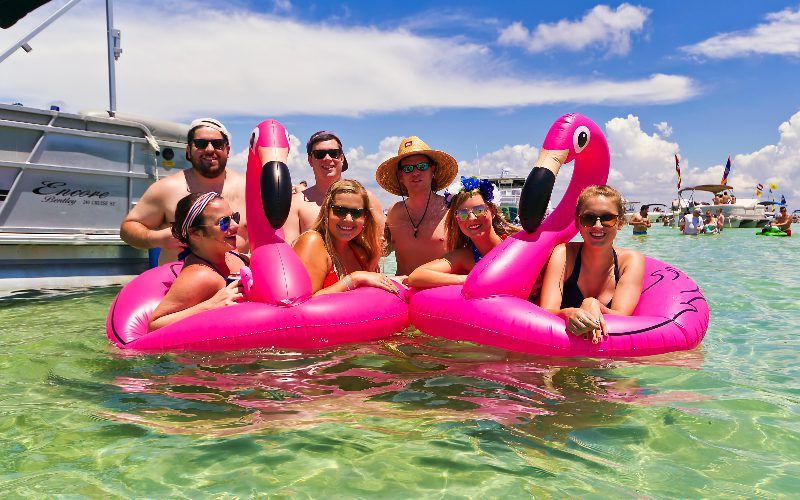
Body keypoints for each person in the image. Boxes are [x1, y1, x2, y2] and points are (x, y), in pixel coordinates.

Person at [121, 118, 247, 264]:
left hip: (236, 283)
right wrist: (157, 238)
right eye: (201, 144)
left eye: (218, 144)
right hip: (179, 282)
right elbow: (127, 229)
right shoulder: (166, 189)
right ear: (188, 150)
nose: (210, 149)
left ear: (228, 150)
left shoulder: (250, 188)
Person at [539, 185, 645, 344]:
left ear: (621, 222)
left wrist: (594, 304)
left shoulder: (630, 261)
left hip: (608, 354)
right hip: (560, 349)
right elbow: (545, 312)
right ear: (577, 222)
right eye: (588, 218)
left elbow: (623, 318)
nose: (597, 225)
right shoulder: (563, 255)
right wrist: (568, 313)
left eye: (607, 218)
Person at [148, 192, 247, 331]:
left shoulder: (230, 253)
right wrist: (210, 305)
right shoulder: (199, 276)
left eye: (234, 217)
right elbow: (154, 325)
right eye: (224, 222)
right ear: (195, 233)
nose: (236, 225)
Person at [407, 176, 519, 289]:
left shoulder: (517, 245)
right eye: (462, 213)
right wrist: (471, 278)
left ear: (493, 212)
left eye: (479, 210)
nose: (471, 218)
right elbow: (416, 276)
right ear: (456, 219)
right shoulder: (465, 257)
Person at [292, 179, 398, 295]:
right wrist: (354, 279)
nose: (348, 219)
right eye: (340, 211)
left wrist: (392, 281)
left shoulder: (361, 252)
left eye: (356, 213)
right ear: (327, 212)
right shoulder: (312, 242)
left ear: (365, 218)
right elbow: (301, 303)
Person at [376, 136, 460, 276]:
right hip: (402, 292)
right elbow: (381, 251)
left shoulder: (451, 209)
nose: (415, 173)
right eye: (408, 169)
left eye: (422, 166)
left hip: (441, 291)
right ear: (400, 176)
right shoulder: (394, 212)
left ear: (432, 170)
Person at [282, 131, 383, 244]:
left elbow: (380, 245)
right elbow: (289, 251)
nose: (327, 158)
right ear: (310, 160)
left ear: (342, 158)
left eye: (333, 153)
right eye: (319, 154)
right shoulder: (295, 204)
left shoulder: (368, 199)